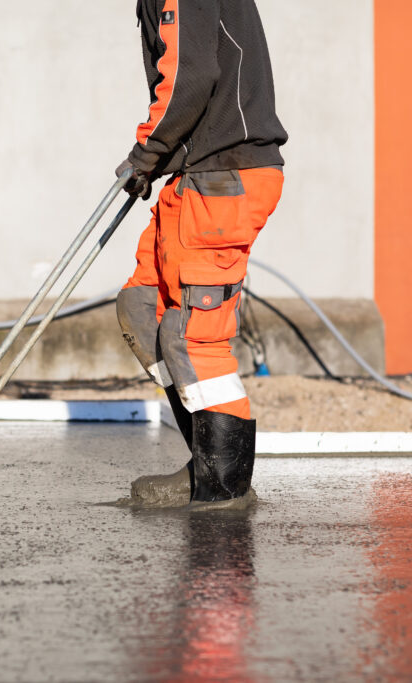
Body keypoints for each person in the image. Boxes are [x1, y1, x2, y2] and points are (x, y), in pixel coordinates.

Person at [115, 0, 287, 508]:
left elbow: (188, 75)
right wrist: (158, 161)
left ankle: (224, 490)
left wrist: (146, 152)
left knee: (194, 337)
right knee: (144, 309)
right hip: (198, 176)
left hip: (226, 177)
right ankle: (206, 463)